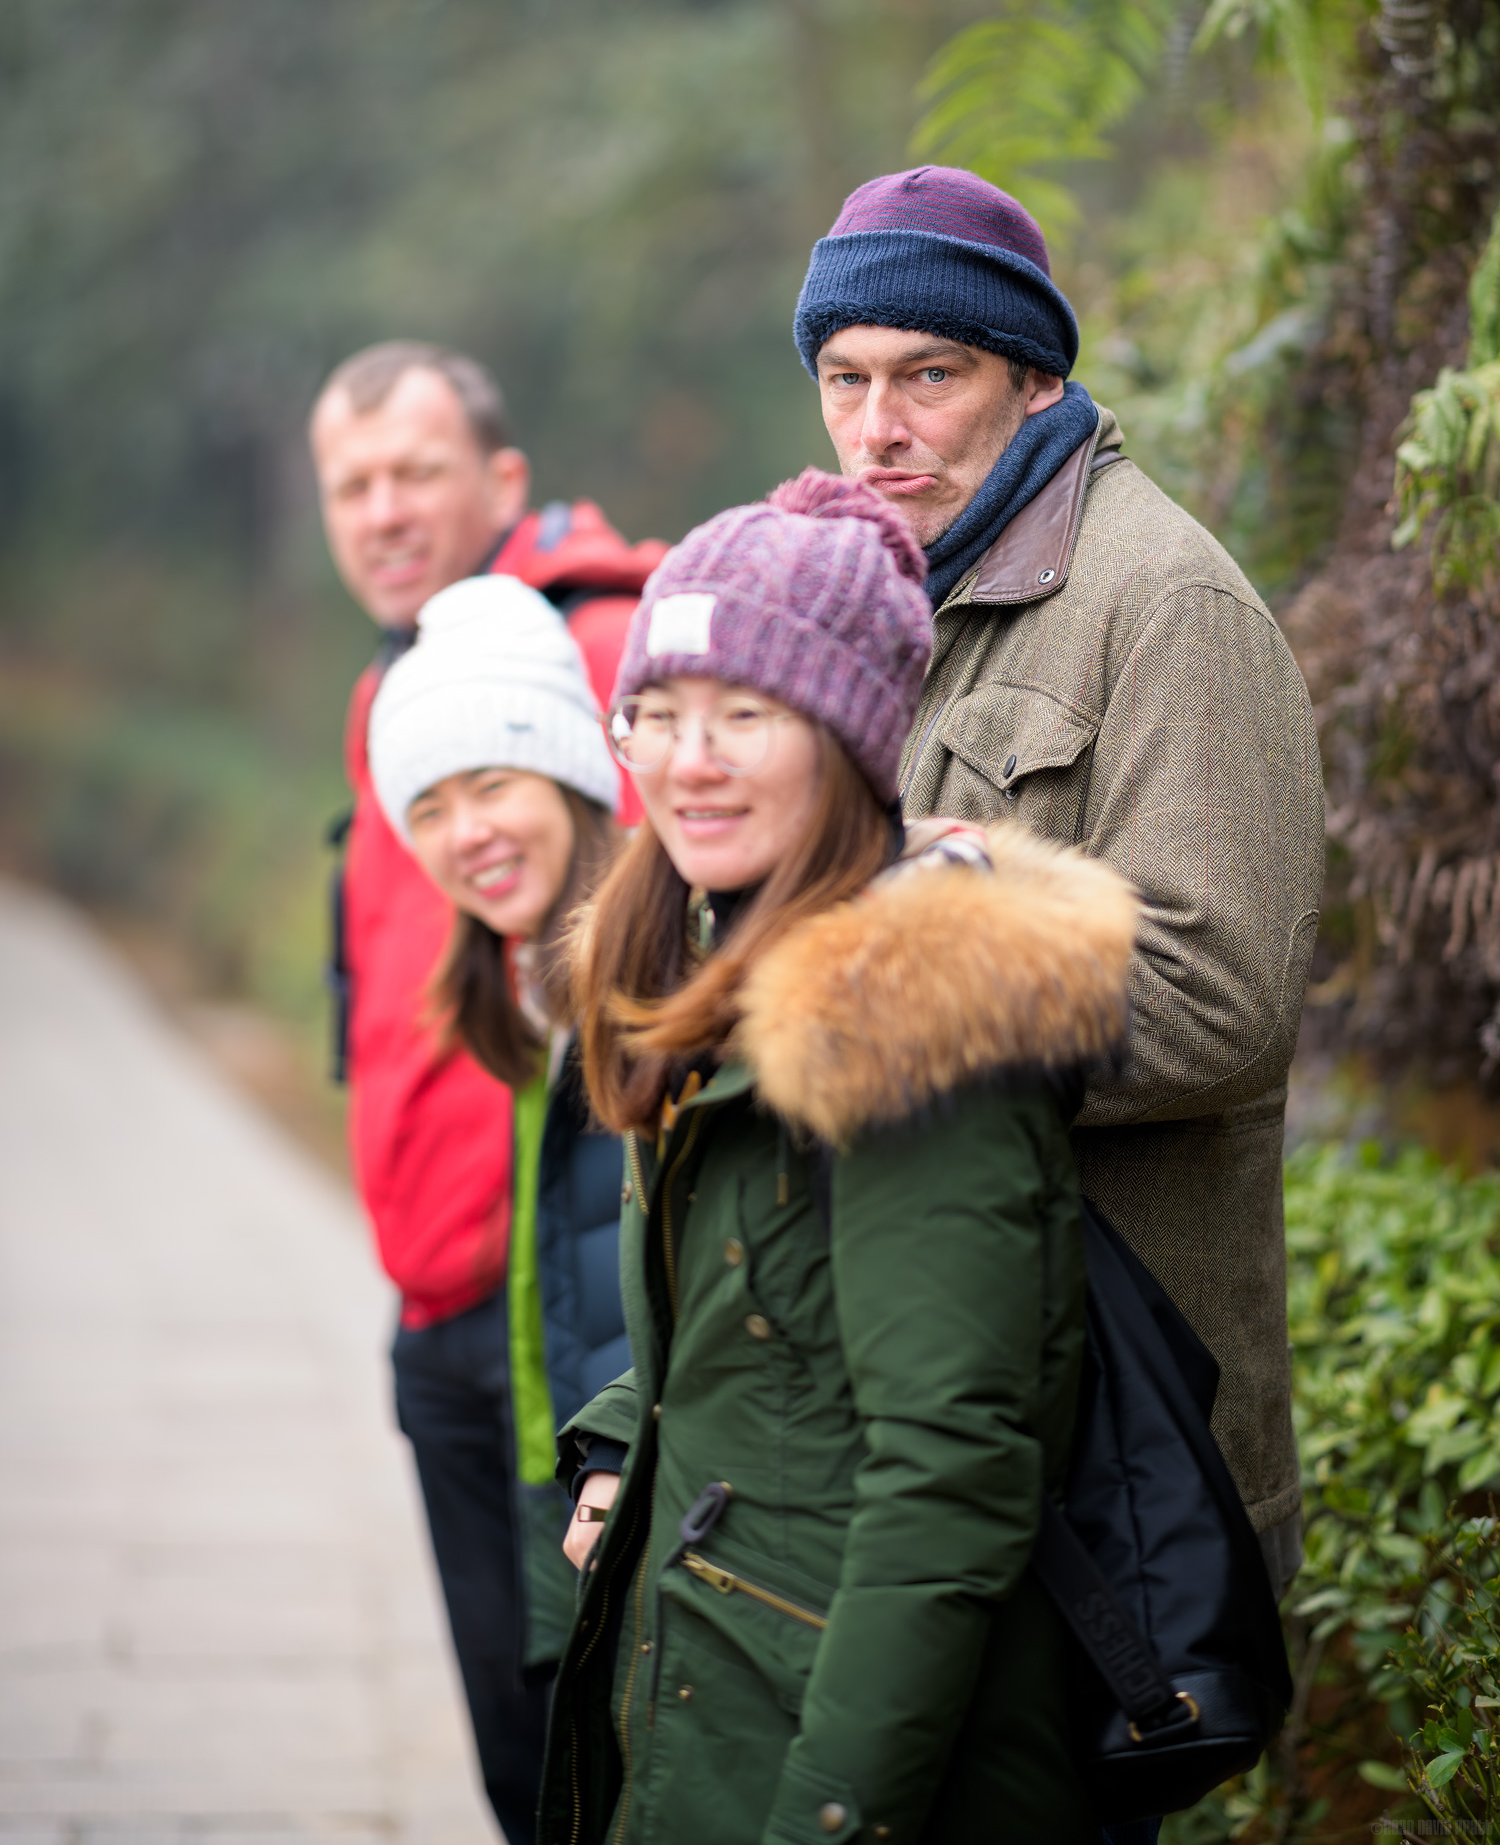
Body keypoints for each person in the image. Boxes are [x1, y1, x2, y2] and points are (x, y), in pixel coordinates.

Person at [536, 469, 1139, 1845]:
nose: (694, 760)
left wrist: (832, 1816)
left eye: (747, 716)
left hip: (826, 1747)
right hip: (703, 1679)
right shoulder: (717, 963)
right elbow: (769, 1324)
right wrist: (624, 1443)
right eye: (660, 717)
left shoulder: (904, 1027)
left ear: (853, 742)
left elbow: (953, 1475)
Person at [793, 168, 1324, 1614]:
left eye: (930, 375)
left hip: (1107, 1456)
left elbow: (1220, 1003)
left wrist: (860, 1018)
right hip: (914, 1423)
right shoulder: (870, 594)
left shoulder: (1166, 604)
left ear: (1035, 382)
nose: (876, 427)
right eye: (845, 379)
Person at [310, 340, 663, 1842]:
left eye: (416, 473)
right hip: (440, 1309)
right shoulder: (393, 683)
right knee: (510, 1758)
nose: (383, 511)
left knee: (584, 1761)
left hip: (561, 1326)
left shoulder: (606, 650)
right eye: (352, 485)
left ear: (502, 479)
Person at [366, 573, 632, 1724]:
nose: (463, 832)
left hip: (632, 1486)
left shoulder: (650, 976)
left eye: (492, 783)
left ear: (571, 776)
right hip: (546, 1458)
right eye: (427, 805)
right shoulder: (509, 986)